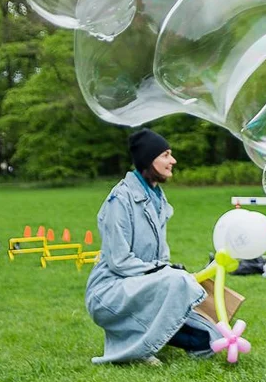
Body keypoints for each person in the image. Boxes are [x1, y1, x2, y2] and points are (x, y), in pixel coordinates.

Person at [84, 129, 223, 364]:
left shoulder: (157, 197)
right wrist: (164, 271)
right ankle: (138, 350)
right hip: (108, 292)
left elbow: (161, 257)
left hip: (140, 283)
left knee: (211, 334)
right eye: (166, 155)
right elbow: (119, 261)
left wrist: (169, 269)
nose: (173, 161)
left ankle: (203, 340)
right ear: (149, 159)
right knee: (177, 281)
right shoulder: (119, 200)